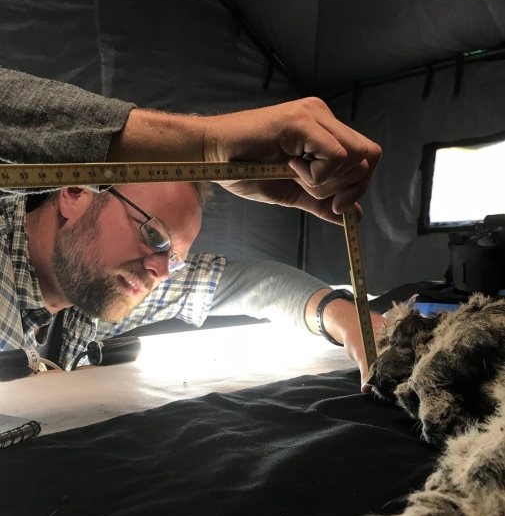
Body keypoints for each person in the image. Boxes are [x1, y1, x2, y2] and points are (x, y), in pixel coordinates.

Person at [0, 67, 384, 387]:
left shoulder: (91, 292)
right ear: (74, 190)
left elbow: (254, 286)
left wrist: (347, 319)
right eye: (152, 234)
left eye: (176, 259)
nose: (162, 271)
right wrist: (201, 142)